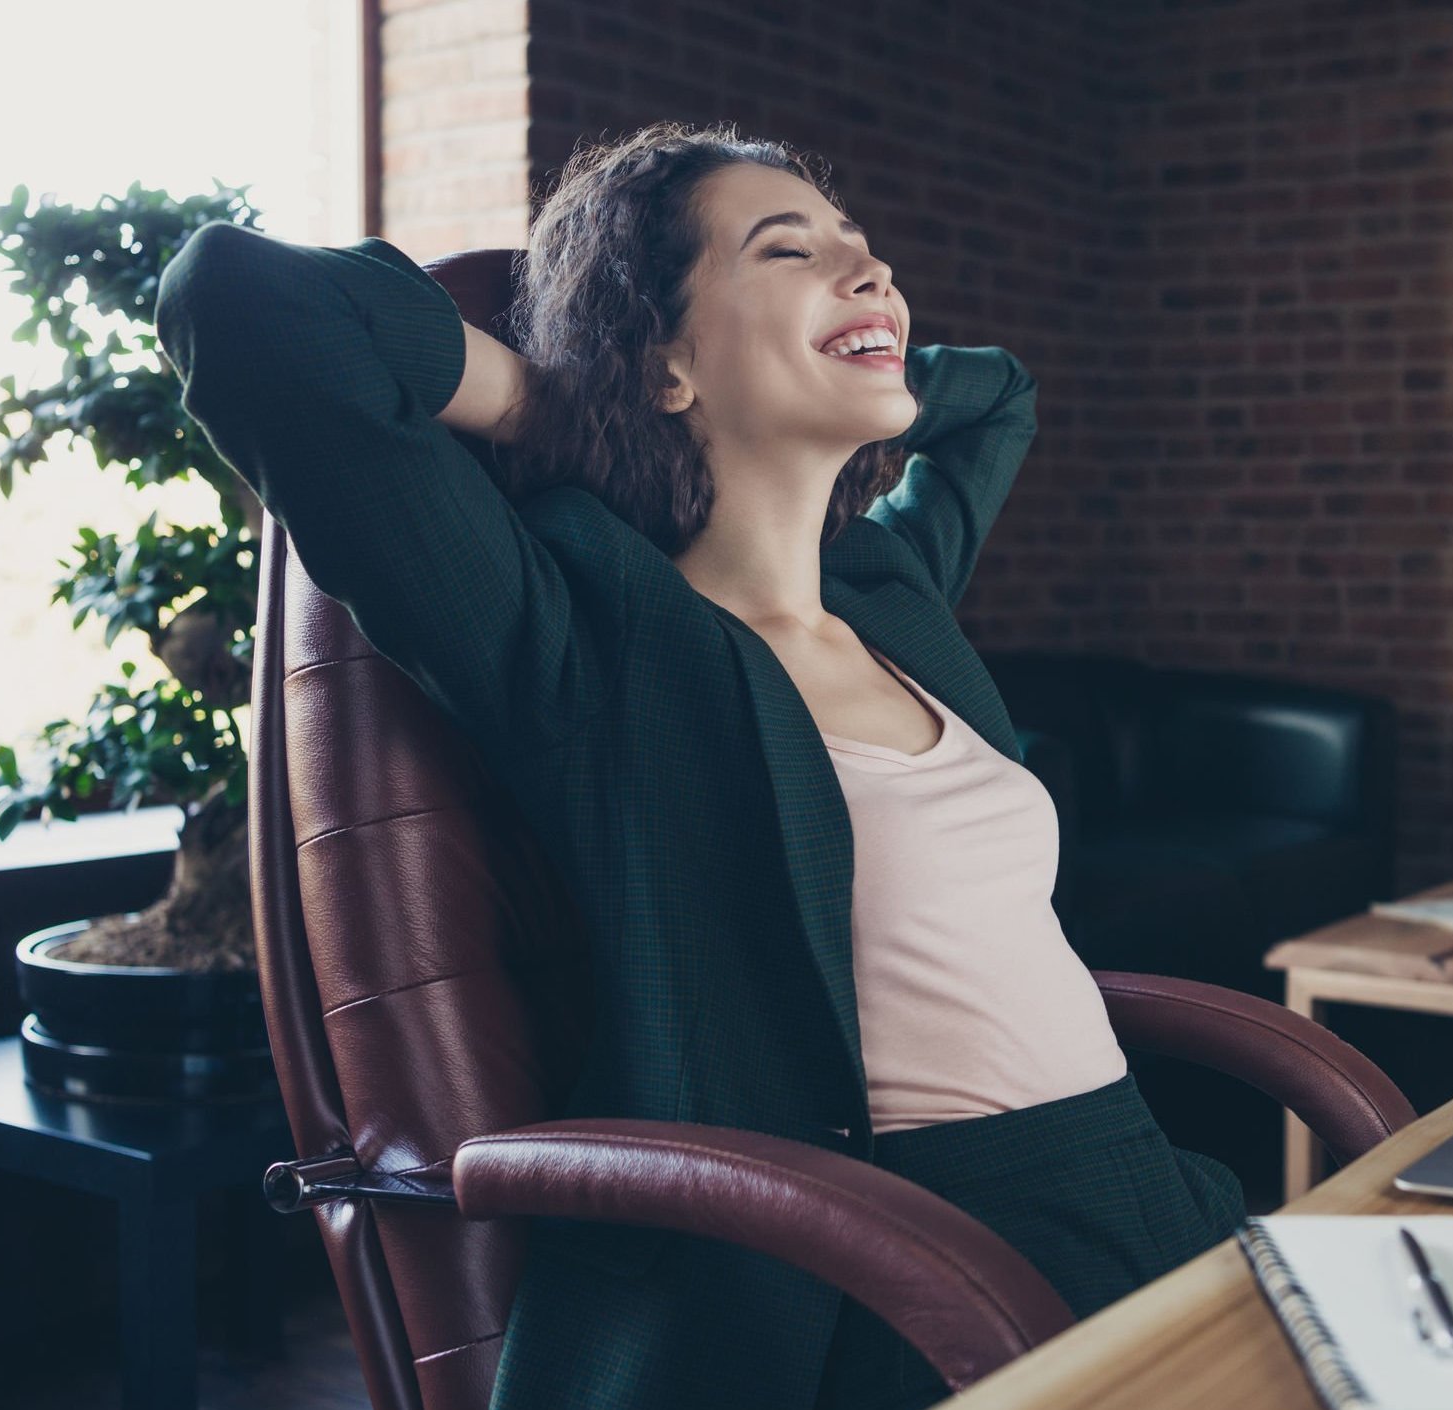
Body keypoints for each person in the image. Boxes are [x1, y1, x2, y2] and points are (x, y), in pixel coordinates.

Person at [153, 120, 1246, 1410]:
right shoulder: (580, 643)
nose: (873, 273)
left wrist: (817, 351)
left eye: (867, 250)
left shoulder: (889, 592)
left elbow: (997, 395)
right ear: (666, 357)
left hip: (1151, 1195)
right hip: (909, 1269)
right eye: (791, 249)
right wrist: (565, 400)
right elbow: (237, 301)